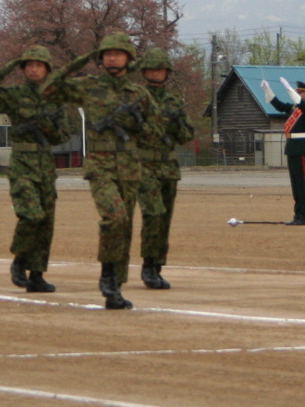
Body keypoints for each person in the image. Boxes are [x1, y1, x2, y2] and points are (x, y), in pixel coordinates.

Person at [43, 32, 155, 310]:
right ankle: (107, 276)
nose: (111, 57)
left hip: (129, 168)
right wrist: (79, 60)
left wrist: (136, 123)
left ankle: (115, 287)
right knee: (114, 217)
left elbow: (156, 132)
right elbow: (48, 89)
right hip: (101, 166)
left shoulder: (139, 94)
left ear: (129, 58)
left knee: (125, 227)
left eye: (117, 53)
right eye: (106, 54)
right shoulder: (88, 86)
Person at [0, 46, 70, 293]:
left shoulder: (55, 98)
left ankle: (37, 274)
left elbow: (62, 134)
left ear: (47, 69)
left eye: (39, 65)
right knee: (31, 215)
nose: (34, 69)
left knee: (46, 222)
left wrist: (45, 125)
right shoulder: (15, 94)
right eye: (29, 65)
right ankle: (19, 260)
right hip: (22, 162)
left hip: (45, 164)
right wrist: (9, 65)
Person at [135, 47, 194, 289]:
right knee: (154, 214)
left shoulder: (172, 101)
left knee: (165, 217)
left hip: (167, 167)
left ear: (166, 73)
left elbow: (187, 133)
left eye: (160, 69)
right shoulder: (136, 98)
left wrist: (178, 125)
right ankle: (148, 265)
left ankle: (158, 264)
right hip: (143, 165)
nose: (156, 73)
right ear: (144, 71)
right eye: (151, 69)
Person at [264, 77, 305, 226]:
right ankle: (298, 214)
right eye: (297, 92)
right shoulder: (296, 109)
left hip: (301, 147)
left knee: (302, 184)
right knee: (295, 185)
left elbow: (302, 106)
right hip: (292, 147)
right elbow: (280, 106)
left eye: (301, 92)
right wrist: (268, 90)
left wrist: (289, 90)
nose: (299, 94)